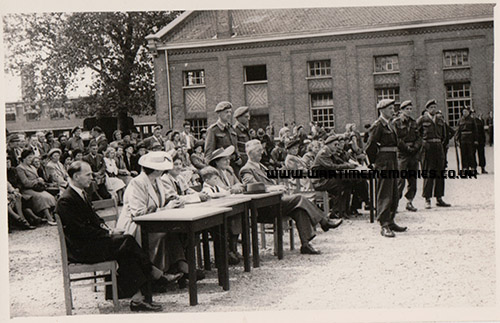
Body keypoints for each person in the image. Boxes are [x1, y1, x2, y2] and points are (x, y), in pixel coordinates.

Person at [56, 161, 165, 312]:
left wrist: (109, 230)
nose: (92, 178)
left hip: (90, 243)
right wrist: (107, 234)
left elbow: (95, 220)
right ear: (76, 176)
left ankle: (137, 298)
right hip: (81, 249)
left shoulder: (81, 193)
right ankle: (152, 271)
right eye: (88, 175)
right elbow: (79, 231)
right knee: (126, 241)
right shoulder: (66, 200)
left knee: (126, 249)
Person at [240, 140, 342, 255]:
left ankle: (305, 244)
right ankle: (324, 221)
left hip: (276, 202)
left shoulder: (261, 167)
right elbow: (252, 187)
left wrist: (277, 187)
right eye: (259, 150)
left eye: (261, 150)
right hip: (264, 207)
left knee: (299, 209)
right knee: (299, 198)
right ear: (250, 152)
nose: (262, 153)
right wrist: (272, 188)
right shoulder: (246, 169)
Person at [116, 151, 185, 283]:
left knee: (174, 230)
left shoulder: (157, 181)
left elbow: (161, 199)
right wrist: (165, 208)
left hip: (153, 222)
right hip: (136, 226)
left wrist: (174, 199)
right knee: (167, 233)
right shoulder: (137, 183)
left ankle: (179, 266)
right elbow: (139, 213)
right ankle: (159, 274)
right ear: (156, 170)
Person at [366, 99, 407, 238]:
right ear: (382, 110)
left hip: (392, 160)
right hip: (384, 162)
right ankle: (384, 224)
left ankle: (390, 220)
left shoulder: (390, 124)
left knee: (394, 191)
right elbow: (370, 146)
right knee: (384, 192)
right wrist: (374, 163)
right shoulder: (378, 125)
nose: (393, 111)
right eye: (390, 109)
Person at [207, 146, 245, 264]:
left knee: (239, 215)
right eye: (224, 160)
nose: (228, 162)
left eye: (228, 159)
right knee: (229, 219)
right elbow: (223, 189)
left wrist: (234, 188)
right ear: (216, 162)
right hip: (218, 205)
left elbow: (240, 185)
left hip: (231, 202)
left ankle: (233, 248)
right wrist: (233, 189)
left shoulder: (229, 171)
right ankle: (227, 250)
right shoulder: (213, 173)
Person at [311, 135, 357, 219]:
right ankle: (337, 211)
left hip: (325, 179)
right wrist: (347, 166)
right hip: (319, 181)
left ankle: (343, 211)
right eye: (335, 145)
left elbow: (338, 162)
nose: (337, 147)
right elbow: (331, 166)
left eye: (337, 145)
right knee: (342, 184)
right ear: (328, 144)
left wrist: (347, 164)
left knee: (347, 183)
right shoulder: (323, 153)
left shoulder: (329, 152)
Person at [417, 99, 451, 209]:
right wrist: (422, 144)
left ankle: (439, 197)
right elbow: (416, 133)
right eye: (431, 107)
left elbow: (445, 134)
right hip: (428, 148)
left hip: (438, 147)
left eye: (434, 107)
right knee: (429, 173)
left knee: (440, 172)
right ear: (427, 109)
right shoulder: (422, 120)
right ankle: (427, 198)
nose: (433, 109)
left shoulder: (440, 119)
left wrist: (443, 145)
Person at [391, 100, 421, 212]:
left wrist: (415, 147)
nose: (409, 111)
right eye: (406, 109)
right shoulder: (396, 122)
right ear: (402, 110)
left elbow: (419, 137)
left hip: (413, 154)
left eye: (410, 109)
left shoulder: (414, 122)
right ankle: (395, 204)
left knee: (413, 179)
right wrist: (407, 148)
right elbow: (397, 138)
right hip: (402, 154)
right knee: (400, 180)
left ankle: (410, 202)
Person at [15, 149, 57, 225]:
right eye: (29, 158)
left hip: (36, 188)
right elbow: (25, 183)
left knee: (49, 196)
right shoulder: (20, 168)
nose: (31, 160)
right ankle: (49, 218)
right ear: (24, 158)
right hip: (27, 189)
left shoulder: (32, 167)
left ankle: (50, 215)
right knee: (42, 197)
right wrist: (37, 180)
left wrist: (41, 181)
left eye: (31, 158)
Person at [204, 101, 242, 172]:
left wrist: (238, 156)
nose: (229, 114)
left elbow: (235, 145)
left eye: (230, 112)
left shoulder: (231, 128)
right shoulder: (213, 130)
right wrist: (209, 169)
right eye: (226, 112)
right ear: (219, 114)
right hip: (221, 166)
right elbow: (209, 152)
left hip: (234, 165)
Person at [455, 106, 478, 172]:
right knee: (463, 154)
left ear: (468, 112)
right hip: (462, 139)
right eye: (463, 111)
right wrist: (457, 139)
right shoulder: (459, 120)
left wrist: (476, 140)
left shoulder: (472, 120)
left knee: (471, 153)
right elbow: (458, 131)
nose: (464, 113)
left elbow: (475, 130)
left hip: (470, 139)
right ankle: (465, 168)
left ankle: (473, 167)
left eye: (466, 111)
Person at [471, 109, 488, 174]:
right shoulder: (469, 122)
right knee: (473, 155)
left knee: (481, 154)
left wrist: (484, 140)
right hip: (472, 141)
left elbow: (482, 131)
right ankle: (474, 169)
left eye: (473, 113)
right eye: (471, 113)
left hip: (480, 140)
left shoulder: (479, 121)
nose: (473, 115)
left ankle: (483, 168)